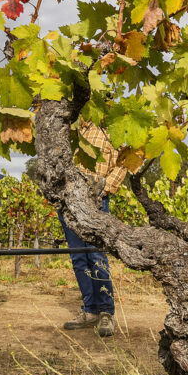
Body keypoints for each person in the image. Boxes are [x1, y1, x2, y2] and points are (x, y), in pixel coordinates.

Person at [59, 119, 123, 338]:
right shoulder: (69, 128)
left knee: (96, 256)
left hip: (96, 200)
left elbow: (124, 163)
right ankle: (90, 310)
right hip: (69, 201)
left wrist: (105, 188)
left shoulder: (111, 131)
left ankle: (106, 311)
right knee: (78, 258)